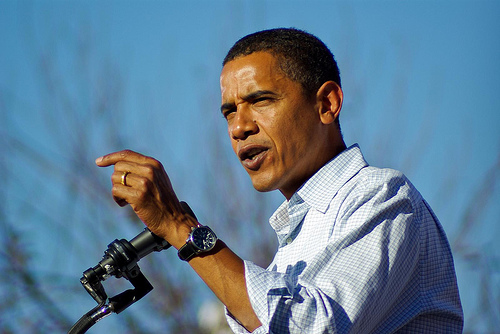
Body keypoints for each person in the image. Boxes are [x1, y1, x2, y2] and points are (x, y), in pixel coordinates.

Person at [95, 28, 463, 333]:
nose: (240, 127)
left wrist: (179, 227)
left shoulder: (381, 196)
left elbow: (312, 327)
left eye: (261, 100)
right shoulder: (291, 244)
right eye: (229, 112)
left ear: (327, 104)